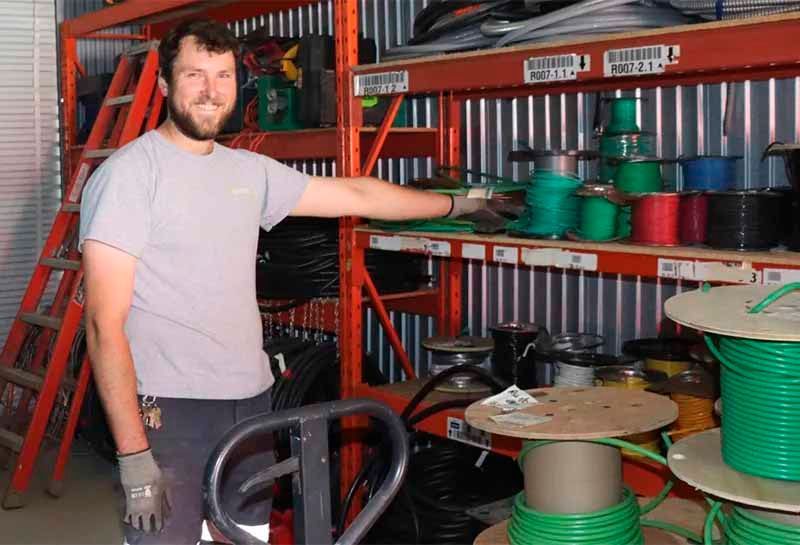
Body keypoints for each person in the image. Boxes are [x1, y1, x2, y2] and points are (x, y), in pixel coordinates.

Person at [79, 18, 484, 545]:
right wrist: (134, 457)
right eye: (194, 75)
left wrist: (462, 203)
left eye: (223, 76)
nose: (210, 91)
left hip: (250, 401)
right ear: (164, 85)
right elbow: (102, 325)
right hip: (169, 408)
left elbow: (358, 196)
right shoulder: (130, 176)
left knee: (245, 535)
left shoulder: (249, 172)